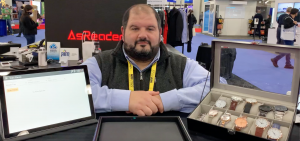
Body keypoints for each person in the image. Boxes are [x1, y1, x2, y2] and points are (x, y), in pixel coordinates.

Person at [82, 4, 218, 116]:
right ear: (123, 33)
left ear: (159, 33)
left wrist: (166, 100)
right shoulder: (100, 63)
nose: (142, 35)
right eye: (135, 28)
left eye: (150, 29)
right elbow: (75, 90)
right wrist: (126, 99)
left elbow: (217, 86)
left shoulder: (181, 64)